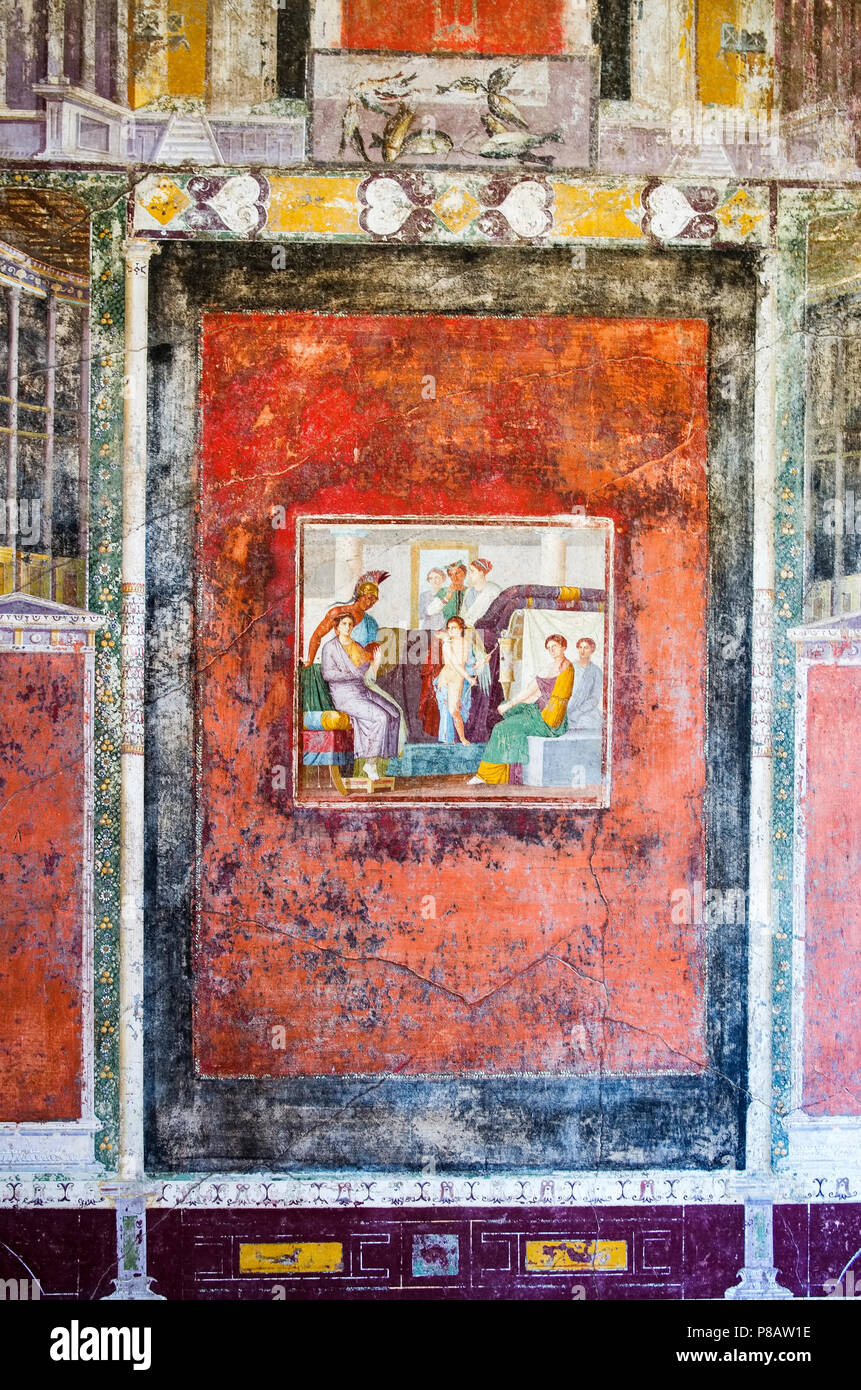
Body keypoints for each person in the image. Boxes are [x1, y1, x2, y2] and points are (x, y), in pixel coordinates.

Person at [467, 633, 576, 786]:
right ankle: (503, 771)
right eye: (549, 648)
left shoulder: (564, 667)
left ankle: (486, 775)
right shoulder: (556, 665)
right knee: (510, 712)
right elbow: (535, 691)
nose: (552, 651)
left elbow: (531, 692)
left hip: (548, 720)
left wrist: (510, 704)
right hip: (545, 712)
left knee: (501, 727)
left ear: (564, 647)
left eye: (555, 647)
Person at [320, 609, 405, 781]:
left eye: (350, 624)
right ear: (336, 627)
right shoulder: (330, 647)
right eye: (344, 624)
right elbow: (328, 675)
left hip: (362, 690)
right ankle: (370, 763)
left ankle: (383, 758)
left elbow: (367, 674)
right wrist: (351, 674)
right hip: (345, 695)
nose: (348, 627)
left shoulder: (357, 646)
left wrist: (376, 663)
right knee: (381, 717)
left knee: (394, 713)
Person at [306, 569, 389, 664]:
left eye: (373, 603)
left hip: (360, 667)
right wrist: (310, 661)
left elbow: (374, 650)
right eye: (369, 598)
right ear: (360, 594)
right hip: (337, 664)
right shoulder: (337, 612)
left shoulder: (371, 623)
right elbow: (317, 635)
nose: (369, 603)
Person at [433, 615, 490, 746]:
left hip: (459, 679)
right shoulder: (447, 644)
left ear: (461, 628)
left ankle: (461, 738)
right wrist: (469, 678)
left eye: (454, 628)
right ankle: (449, 739)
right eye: (449, 628)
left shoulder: (466, 643)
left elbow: (469, 664)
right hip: (447, 678)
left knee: (454, 710)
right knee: (448, 709)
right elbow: (456, 664)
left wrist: (481, 663)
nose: (451, 631)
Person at [565, 636, 603, 731]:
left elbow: (594, 698)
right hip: (568, 707)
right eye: (580, 647)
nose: (582, 651)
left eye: (586, 648)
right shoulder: (569, 668)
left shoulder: (596, 671)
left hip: (586, 711)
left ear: (592, 650)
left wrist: (578, 712)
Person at [423, 560, 468, 625]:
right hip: (448, 629)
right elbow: (430, 611)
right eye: (451, 574)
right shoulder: (443, 592)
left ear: (464, 574)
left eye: (457, 573)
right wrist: (447, 598)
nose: (454, 577)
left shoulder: (470, 591)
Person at [461, 558, 501, 627]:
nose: (470, 575)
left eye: (472, 571)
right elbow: (463, 613)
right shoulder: (469, 591)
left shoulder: (494, 590)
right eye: (469, 572)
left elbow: (497, 615)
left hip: (484, 630)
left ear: (481, 572)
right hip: (466, 629)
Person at [419, 567, 447, 631]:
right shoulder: (423, 595)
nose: (434, 581)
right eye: (431, 578)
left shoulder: (448, 594)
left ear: (443, 578)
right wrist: (429, 611)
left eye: (436, 577)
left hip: (443, 630)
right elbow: (420, 615)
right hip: (427, 629)